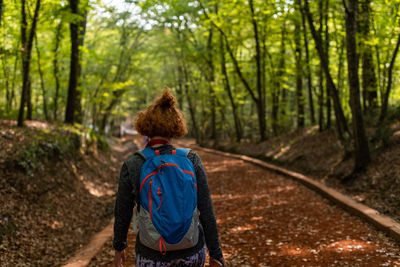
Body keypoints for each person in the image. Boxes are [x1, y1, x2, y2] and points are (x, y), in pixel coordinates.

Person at [113, 88, 227, 267]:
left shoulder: (134, 163)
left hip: (151, 254)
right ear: (175, 128)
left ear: (146, 128)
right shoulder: (191, 159)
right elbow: (206, 210)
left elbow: (122, 211)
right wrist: (216, 253)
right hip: (191, 251)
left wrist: (119, 247)